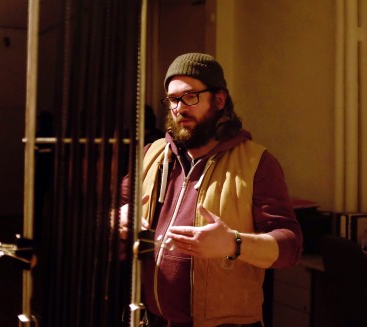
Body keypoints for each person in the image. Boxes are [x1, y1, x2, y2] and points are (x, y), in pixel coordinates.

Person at [120, 53, 302, 327]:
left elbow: (290, 246)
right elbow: (120, 202)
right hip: (153, 319)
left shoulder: (256, 162)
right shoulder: (152, 154)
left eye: (190, 96)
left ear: (219, 100)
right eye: (172, 99)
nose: (179, 108)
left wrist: (233, 243)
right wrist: (120, 216)